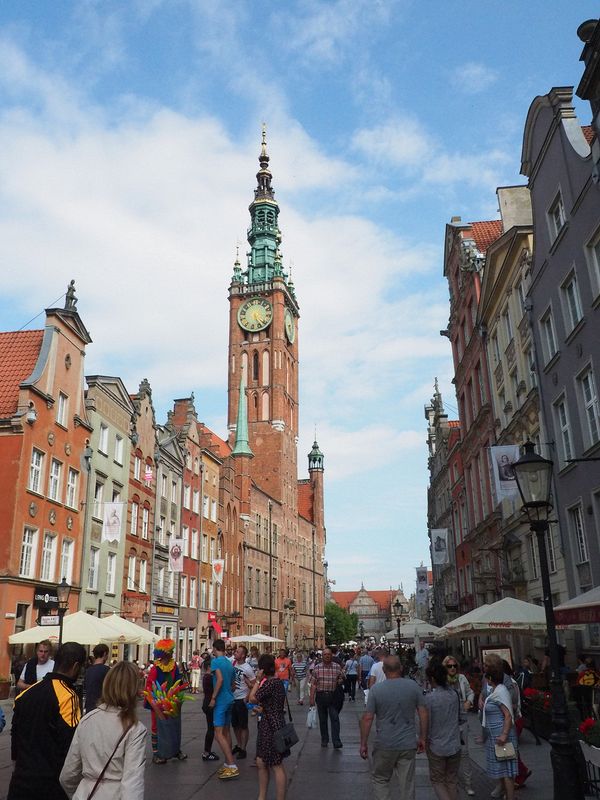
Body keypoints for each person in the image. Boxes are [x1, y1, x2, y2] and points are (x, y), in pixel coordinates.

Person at [8, 641, 87, 800]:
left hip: (20, 782)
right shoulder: (68, 696)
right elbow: (70, 745)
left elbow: (15, 741)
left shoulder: (26, 694)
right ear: (76, 666)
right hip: (50, 785)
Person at [59, 661, 147, 799]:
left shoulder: (87, 720)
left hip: (85, 793)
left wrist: (79, 792)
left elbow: (68, 775)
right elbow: (132, 782)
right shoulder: (135, 729)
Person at [360, 654, 428, 800]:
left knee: (380, 779)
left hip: (384, 743)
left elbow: (368, 718)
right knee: (407, 783)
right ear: (401, 668)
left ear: (384, 670)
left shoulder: (376, 690)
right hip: (407, 743)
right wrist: (423, 737)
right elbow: (423, 712)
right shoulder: (413, 686)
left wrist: (364, 743)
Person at [248, 653, 287, 800]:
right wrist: (263, 709)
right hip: (273, 721)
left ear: (262, 670)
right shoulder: (277, 682)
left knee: (276, 763)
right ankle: (262, 796)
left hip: (271, 726)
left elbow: (252, 698)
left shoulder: (270, 683)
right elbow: (274, 704)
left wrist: (258, 680)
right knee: (261, 761)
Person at [144, 638, 187, 764]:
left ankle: (175, 750)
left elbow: (178, 681)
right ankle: (157, 754)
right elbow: (149, 686)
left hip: (172, 699)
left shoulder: (173, 666)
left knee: (175, 724)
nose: (173, 653)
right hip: (157, 701)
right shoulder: (155, 668)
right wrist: (153, 701)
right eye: (171, 651)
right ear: (165, 653)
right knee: (156, 726)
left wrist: (178, 695)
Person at [482, 659, 518, 800]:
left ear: (490, 678)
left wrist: (504, 735)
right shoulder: (496, 690)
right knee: (503, 769)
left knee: (507, 770)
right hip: (495, 735)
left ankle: (510, 797)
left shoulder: (501, 692)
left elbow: (508, 715)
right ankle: (506, 794)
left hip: (502, 736)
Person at [425, 662, 461, 800]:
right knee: (451, 779)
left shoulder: (430, 699)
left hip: (437, 745)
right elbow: (461, 717)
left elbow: (426, 723)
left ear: (432, 679)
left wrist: (423, 738)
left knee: (438, 780)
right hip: (454, 743)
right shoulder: (454, 694)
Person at [442, 655, 475, 796]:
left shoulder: (462, 679)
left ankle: (468, 784)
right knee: (449, 753)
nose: (453, 668)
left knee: (465, 753)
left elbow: (470, 692)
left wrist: (469, 701)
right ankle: (451, 782)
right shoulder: (442, 681)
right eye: (449, 666)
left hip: (462, 721)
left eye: (455, 665)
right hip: (447, 723)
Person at [210, 638, 238, 780]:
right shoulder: (229, 663)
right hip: (230, 699)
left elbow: (219, 679)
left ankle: (232, 765)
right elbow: (234, 685)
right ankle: (228, 763)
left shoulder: (215, 662)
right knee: (227, 733)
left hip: (221, 701)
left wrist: (213, 697)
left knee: (218, 733)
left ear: (215, 649)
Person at [309, 647, 344, 748]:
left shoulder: (337, 667)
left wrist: (340, 680)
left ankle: (336, 741)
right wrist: (311, 698)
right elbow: (313, 684)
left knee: (335, 718)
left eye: (329, 654)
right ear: (322, 656)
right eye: (325, 654)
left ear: (331, 656)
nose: (327, 656)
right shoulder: (317, 668)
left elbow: (341, 677)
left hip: (333, 696)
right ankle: (324, 739)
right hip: (321, 696)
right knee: (323, 719)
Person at [232, 645, 256, 760]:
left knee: (243, 725)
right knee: (235, 725)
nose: (235, 653)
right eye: (235, 651)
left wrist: (247, 697)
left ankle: (243, 748)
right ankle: (238, 744)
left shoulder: (248, 668)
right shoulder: (233, 663)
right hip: (232, 698)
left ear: (243, 655)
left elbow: (254, 684)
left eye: (237, 652)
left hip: (241, 699)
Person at [201, 656, 219, 761]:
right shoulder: (209, 677)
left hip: (207, 703)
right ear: (209, 667)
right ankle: (206, 752)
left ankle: (207, 751)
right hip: (209, 704)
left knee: (211, 728)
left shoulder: (208, 676)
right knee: (211, 729)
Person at [84, 643, 110, 713]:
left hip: (89, 707)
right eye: (107, 654)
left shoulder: (88, 670)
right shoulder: (107, 670)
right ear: (104, 654)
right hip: (101, 707)